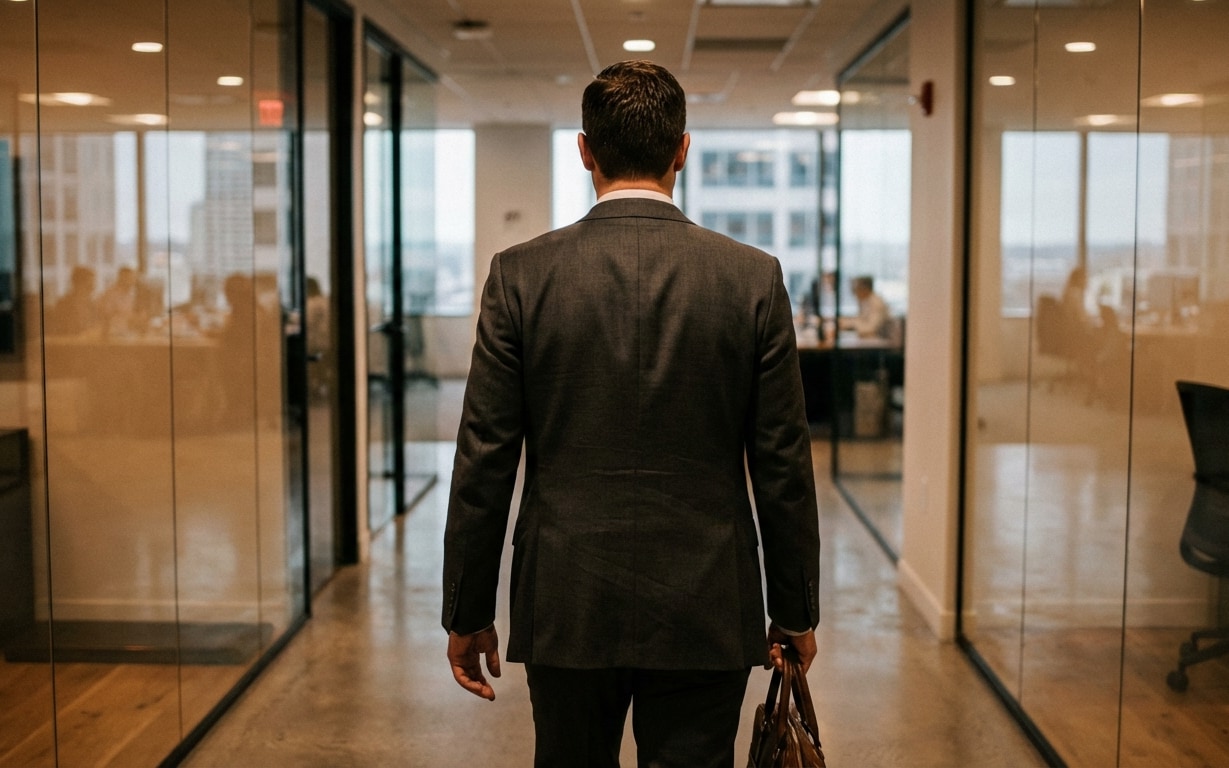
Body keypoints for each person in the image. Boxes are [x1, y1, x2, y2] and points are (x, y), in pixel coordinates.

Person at [442, 60, 821, 768]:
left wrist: (466, 611)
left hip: (566, 598)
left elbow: (483, 460)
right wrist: (796, 607)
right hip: (706, 599)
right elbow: (782, 465)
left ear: (584, 151)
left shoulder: (520, 276)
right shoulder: (751, 278)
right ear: (682, 148)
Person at [841, 274, 890, 339]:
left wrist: (851, 325)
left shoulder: (876, 303)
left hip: (877, 340)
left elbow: (871, 328)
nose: (854, 292)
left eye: (856, 288)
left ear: (864, 288)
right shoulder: (865, 301)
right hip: (869, 338)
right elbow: (860, 319)